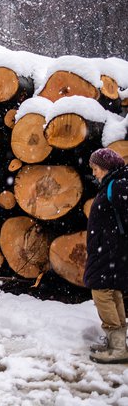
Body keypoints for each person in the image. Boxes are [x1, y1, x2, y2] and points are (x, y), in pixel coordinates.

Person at [84, 148, 127, 364]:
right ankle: (116, 343)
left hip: (110, 251)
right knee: (112, 293)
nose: (94, 173)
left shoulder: (117, 186)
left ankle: (118, 347)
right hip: (109, 250)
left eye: (96, 168)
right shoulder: (115, 184)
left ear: (106, 168)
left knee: (102, 294)